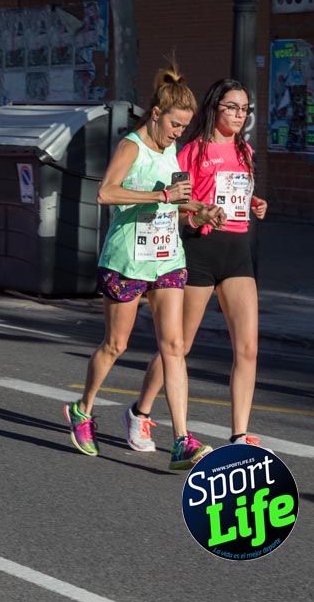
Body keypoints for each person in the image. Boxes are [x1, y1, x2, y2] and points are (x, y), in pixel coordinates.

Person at [64, 67, 220, 471]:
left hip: (167, 257)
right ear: (155, 114)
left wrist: (200, 208)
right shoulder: (131, 146)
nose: (178, 134)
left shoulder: (170, 150)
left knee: (174, 347)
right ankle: (83, 409)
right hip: (128, 259)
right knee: (116, 345)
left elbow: (173, 201)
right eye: (174, 125)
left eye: (184, 128)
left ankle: (182, 439)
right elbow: (105, 193)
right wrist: (160, 194)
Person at [127, 79, 269, 451]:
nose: (239, 116)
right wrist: (195, 217)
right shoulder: (191, 151)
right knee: (179, 345)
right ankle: (140, 413)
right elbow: (171, 206)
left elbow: (233, 189)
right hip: (199, 249)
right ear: (214, 108)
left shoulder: (245, 150)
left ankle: (239, 434)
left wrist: (253, 202)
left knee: (248, 347)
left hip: (237, 250)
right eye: (232, 108)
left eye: (244, 110)